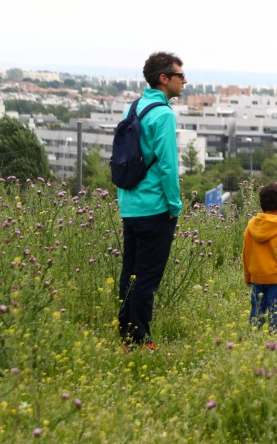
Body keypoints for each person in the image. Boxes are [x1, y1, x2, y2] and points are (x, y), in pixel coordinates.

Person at [117, 51, 185, 350]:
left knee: (130, 273)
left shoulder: (134, 108)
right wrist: (175, 206)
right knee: (147, 278)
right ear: (164, 78)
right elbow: (168, 166)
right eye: (180, 75)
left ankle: (125, 334)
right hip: (155, 207)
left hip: (129, 204)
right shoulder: (164, 114)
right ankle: (141, 341)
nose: (185, 81)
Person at [243, 182, 277, 332]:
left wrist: (248, 276)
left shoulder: (251, 226)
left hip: (257, 278)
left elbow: (246, 252)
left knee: (256, 311)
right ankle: (275, 336)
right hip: (276, 280)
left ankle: (254, 335)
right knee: (275, 312)